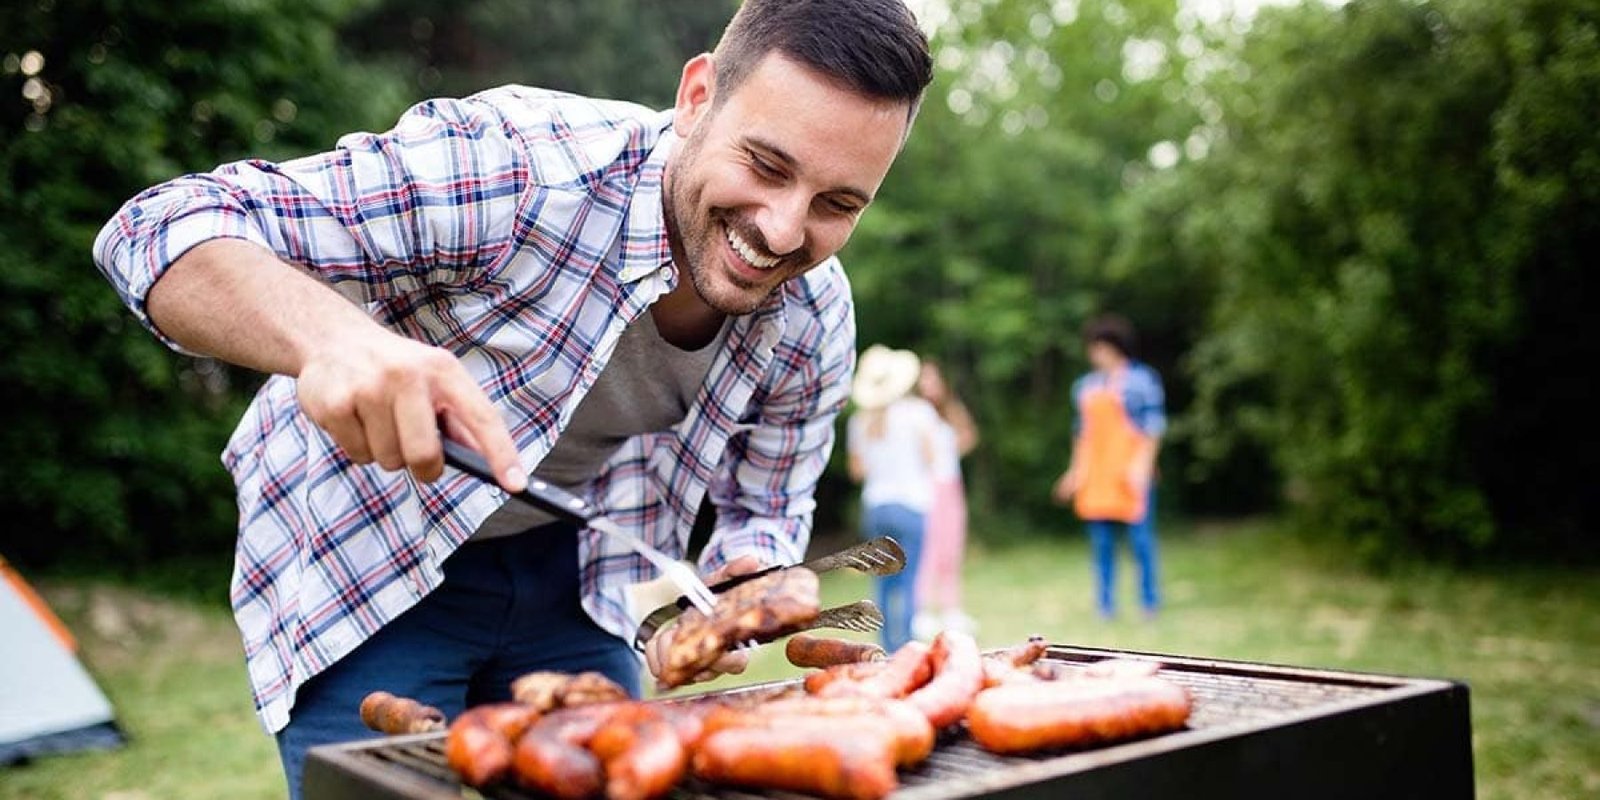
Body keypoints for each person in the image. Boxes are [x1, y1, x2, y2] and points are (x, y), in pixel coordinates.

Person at [91, 1, 932, 796]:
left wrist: (731, 587)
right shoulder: (519, 165)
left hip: (580, 581)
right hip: (374, 560)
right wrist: (334, 339)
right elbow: (159, 227)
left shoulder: (815, 318)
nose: (783, 231)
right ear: (698, 95)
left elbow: (765, 509)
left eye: (837, 203)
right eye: (765, 164)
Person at [1052, 314, 1166, 620]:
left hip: (1130, 473)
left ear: (1111, 347)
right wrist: (1075, 473)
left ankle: (1149, 603)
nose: (1092, 353)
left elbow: (1153, 428)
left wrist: (1141, 467)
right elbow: (1082, 434)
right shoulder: (1085, 387)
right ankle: (1105, 606)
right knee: (1101, 545)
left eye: (1096, 346)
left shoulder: (1142, 380)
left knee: (1141, 543)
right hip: (1097, 475)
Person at [846, 345, 940, 651]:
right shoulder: (918, 413)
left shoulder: (858, 421)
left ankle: (885, 645)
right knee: (910, 578)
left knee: (882, 581)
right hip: (911, 504)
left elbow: (857, 471)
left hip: (876, 506)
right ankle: (909, 644)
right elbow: (930, 458)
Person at [910, 359, 979, 639]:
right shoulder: (914, 412)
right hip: (926, 487)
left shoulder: (951, 409)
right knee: (928, 549)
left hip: (951, 484)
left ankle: (951, 609)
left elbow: (968, 436)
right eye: (924, 379)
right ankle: (923, 611)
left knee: (951, 546)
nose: (930, 385)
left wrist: (951, 453)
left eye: (933, 378)